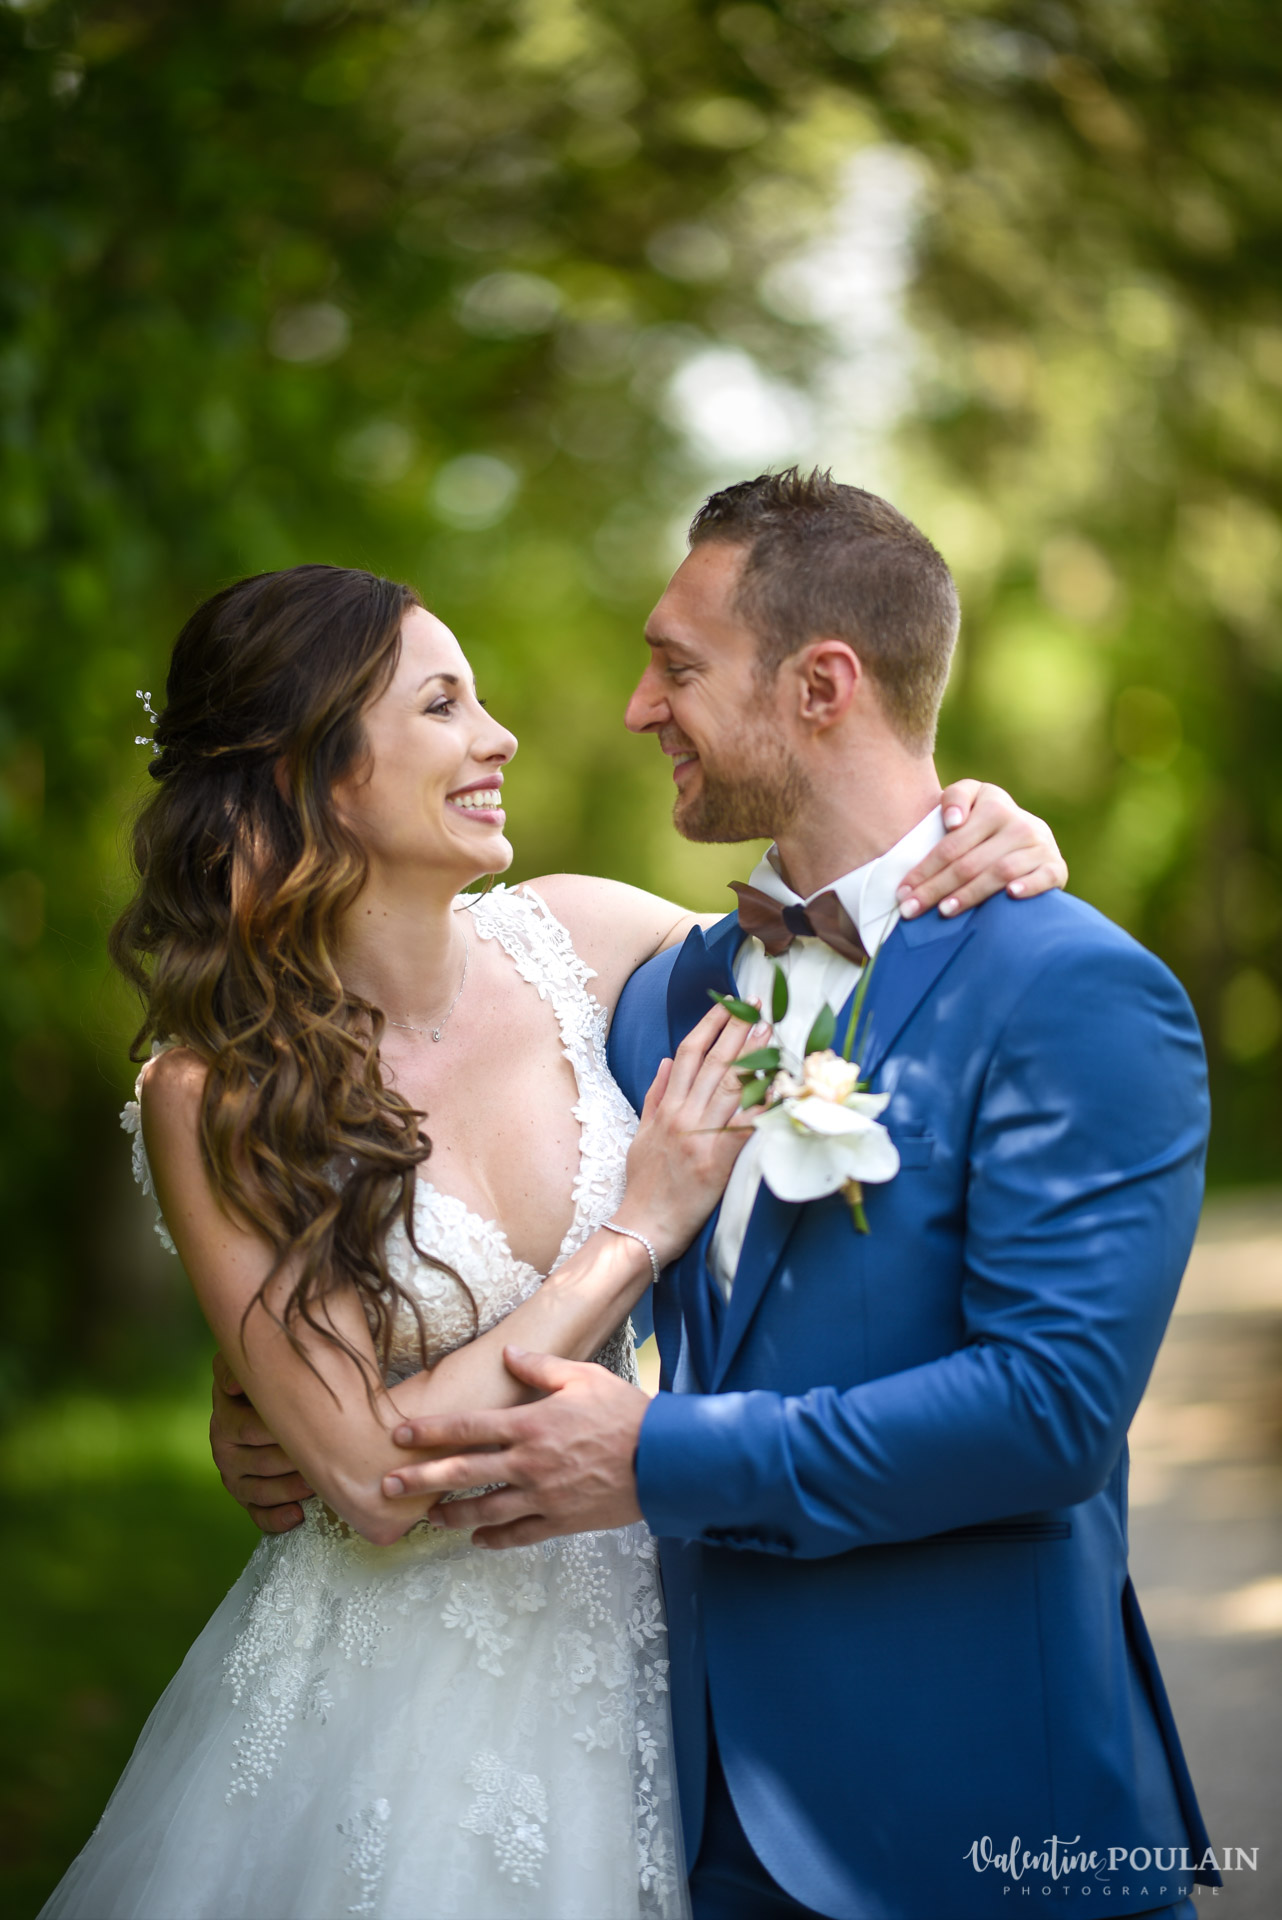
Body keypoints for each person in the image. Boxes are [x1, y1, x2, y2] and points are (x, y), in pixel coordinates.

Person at [42, 556, 1063, 1920]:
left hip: (643, 1631)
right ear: (311, 774)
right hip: (389, 1696)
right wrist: (636, 1230)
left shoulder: (585, 938)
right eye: (442, 706)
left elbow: (836, 946)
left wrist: (987, 827)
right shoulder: (212, 1094)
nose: (500, 736)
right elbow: (369, 1474)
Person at [376, 471, 1216, 1920]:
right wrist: (278, 1387)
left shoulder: (1070, 988)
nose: (639, 708)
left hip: (983, 1823)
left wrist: (659, 1457)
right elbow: (428, 1134)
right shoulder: (658, 996)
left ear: (822, 686)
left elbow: (1050, 1414)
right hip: (691, 1817)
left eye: (677, 666)